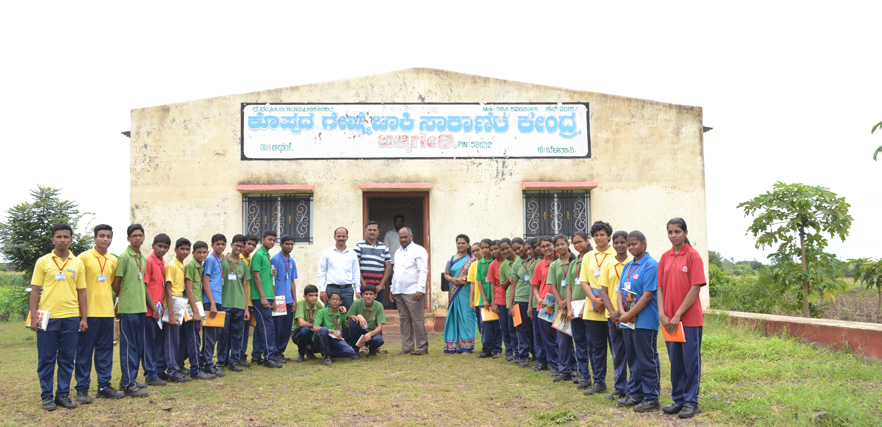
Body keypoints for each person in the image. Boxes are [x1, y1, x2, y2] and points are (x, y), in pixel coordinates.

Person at [30, 223, 88, 410]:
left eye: (66, 237)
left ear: (71, 240)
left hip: (71, 318)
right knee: (46, 359)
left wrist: (84, 318)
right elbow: (35, 290)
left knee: (66, 358)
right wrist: (33, 317)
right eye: (59, 237)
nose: (62, 240)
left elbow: (82, 292)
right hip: (48, 318)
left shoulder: (77, 263)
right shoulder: (43, 261)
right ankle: (46, 396)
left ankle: (62, 395)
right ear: (53, 239)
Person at [657, 218, 706, 419]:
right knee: (675, 360)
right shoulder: (665, 257)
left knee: (690, 361)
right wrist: (662, 313)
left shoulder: (693, 256)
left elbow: (695, 288)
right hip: (668, 320)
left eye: (677, 231)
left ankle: (691, 402)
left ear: (685, 232)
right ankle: (678, 399)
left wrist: (678, 315)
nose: (673, 235)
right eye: (670, 232)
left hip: (689, 320)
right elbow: (659, 287)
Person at [74, 224, 124, 402]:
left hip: (107, 314)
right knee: (84, 352)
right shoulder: (83, 258)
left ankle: (104, 386)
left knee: (105, 351)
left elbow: (111, 285)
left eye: (108, 236)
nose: (105, 239)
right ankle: (82, 389)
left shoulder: (113, 260)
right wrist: (82, 315)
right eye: (101, 236)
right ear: (94, 238)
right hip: (88, 314)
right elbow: (77, 287)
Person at [615, 231, 661, 413]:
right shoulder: (627, 266)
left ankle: (651, 397)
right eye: (629, 244)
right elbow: (620, 292)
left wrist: (627, 315)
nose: (631, 247)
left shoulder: (651, 265)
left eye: (634, 244)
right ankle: (636, 393)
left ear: (644, 243)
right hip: (628, 320)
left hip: (644, 321)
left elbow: (648, 295)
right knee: (632, 359)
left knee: (647, 359)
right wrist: (622, 313)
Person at [111, 224, 152, 397]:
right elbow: (116, 283)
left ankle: (131, 379)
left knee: (137, 346)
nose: (138, 238)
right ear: (128, 238)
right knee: (128, 346)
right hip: (128, 309)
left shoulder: (142, 258)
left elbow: (142, 283)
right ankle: (127, 385)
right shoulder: (124, 258)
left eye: (141, 235)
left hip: (140, 308)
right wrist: (125, 298)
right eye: (134, 235)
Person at [580, 221, 617, 395]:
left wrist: (606, 301)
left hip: (612, 307)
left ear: (609, 236)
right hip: (593, 307)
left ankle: (620, 384)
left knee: (616, 347)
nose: (599, 238)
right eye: (595, 235)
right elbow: (584, 281)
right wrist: (594, 299)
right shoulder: (588, 256)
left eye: (602, 234)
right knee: (596, 347)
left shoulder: (616, 253)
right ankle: (599, 382)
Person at [598, 231, 633, 400]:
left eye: (623, 242)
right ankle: (619, 388)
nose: (619, 245)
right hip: (612, 316)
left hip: (631, 315)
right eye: (616, 242)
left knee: (633, 353)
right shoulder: (607, 264)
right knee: (617, 353)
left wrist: (622, 313)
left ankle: (633, 388)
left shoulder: (633, 262)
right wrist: (613, 313)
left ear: (628, 244)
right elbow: (603, 291)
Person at [389, 227, 429, 355]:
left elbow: (423, 270)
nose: (403, 239)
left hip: (413, 291)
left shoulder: (419, 250)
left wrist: (420, 289)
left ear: (411, 236)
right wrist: (392, 289)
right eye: (401, 237)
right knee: (404, 320)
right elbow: (396, 272)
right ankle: (407, 347)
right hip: (399, 291)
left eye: (405, 237)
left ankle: (422, 347)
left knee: (417, 320)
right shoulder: (397, 252)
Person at [546, 235, 577, 382]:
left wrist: (568, 301)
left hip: (576, 304)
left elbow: (576, 283)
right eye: (557, 245)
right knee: (563, 340)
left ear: (568, 244)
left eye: (562, 244)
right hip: (561, 308)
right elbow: (553, 286)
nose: (560, 247)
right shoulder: (554, 265)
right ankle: (564, 369)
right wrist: (562, 304)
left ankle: (577, 369)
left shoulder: (576, 261)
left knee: (578, 338)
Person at [162, 238, 193, 383]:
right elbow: (168, 291)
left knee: (178, 339)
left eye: (187, 249)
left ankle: (177, 366)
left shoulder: (182, 265)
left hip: (180, 300)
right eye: (182, 249)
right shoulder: (172, 265)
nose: (185, 252)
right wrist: (172, 312)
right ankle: (172, 371)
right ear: (175, 250)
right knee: (171, 339)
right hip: (172, 301)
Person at [219, 234, 251, 371]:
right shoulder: (222, 260)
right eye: (237, 245)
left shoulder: (243, 265)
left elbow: (245, 287)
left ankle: (234, 360)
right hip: (225, 303)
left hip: (239, 305)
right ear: (231, 245)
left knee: (237, 334)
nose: (238, 248)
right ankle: (221, 361)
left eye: (241, 246)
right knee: (223, 334)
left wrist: (246, 309)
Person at [183, 241, 215, 380]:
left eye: (204, 252)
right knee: (194, 339)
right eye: (199, 252)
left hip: (198, 305)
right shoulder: (191, 266)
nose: (202, 255)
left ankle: (188, 366)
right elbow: (188, 289)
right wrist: (195, 310)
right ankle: (195, 370)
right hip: (192, 307)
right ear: (193, 253)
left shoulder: (200, 267)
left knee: (194, 336)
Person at [250, 231, 281, 368]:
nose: (272, 242)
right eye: (269, 239)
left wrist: (272, 298)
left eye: (274, 240)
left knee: (260, 328)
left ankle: (256, 356)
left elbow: (269, 278)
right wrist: (263, 297)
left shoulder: (267, 255)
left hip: (268, 296)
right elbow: (256, 276)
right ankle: (269, 356)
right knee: (267, 327)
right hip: (260, 297)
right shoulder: (258, 255)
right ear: (263, 240)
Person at [143, 233, 170, 386]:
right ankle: (150, 374)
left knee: (159, 341)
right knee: (149, 343)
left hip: (159, 310)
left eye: (165, 247)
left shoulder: (162, 262)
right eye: (159, 246)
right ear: (153, 245)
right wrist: (153, 308)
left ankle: (159, 370)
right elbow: (145, 287)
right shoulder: (148, 261)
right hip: (149, 311)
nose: (162, 249)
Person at [442, 234, 476, 354]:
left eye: (463, 243)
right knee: (454, 316)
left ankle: (466, 345)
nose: (461, 245)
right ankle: (453, 345)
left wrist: (464, 279)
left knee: (467, 317)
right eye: (458, 243)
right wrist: (452, 279)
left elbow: (476, 275)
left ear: (468, 244)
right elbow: (446, 273)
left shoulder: (473, 259)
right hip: (454, 291)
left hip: (466, 291)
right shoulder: (451, 259)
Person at [566, 231, 591, 388]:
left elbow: (594, 285)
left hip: (588, 307)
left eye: (580, 242)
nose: (577, 245)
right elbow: (569, 288)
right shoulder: (574, 263)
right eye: (574, 243)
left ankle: (594, 376)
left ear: (587, 241)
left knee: (591, 343)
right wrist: (569, 308)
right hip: (575, 308)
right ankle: (583, 374)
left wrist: (586, 306)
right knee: (579, 342)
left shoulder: (591, 259)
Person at [201, 234, 227, 377]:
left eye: (223, 244)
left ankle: (204, 360)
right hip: (211, 301)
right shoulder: (210, 259)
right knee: (210, 334)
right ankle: (207, 364)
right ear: (212, 245)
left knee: (216, 333)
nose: (220, 246)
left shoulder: (218, 259)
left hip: (217, 300)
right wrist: (211, 303)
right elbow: (206, 282)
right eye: (217, 244)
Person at [508, 237, 536, 367]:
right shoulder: (516, 264)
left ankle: (536, 353)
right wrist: (511, 304)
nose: (518, 251)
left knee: (534, 329)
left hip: (533, 300)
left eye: (519, 248)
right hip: (519, 300)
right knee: (521, 328)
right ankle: (523, 355)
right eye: (515, 250)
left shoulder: (534, 259)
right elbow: (513, 285)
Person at [317, 227, 361, 310]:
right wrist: (322, 289)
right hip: (331, 289)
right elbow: (321, 272)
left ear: (347, 237)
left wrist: (357, 290)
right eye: (339, 236)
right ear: (334, 237)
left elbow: (356, 273)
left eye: (343, 236)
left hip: (348, 290)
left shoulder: (352, 254)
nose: (341, 238)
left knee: (348, 316)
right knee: (330, 316)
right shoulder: (327, 253)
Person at [531, 236, 556, 373]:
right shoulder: (539, 265)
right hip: (547, 302)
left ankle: (564, 363)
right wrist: (538, 298)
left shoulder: (562, 262)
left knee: (562, 336)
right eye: (543, 246)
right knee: (547, 336)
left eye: (548, 245)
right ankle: (553, 364)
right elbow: (535, 286)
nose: (546, 248)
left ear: (554, 245)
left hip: (561, 303)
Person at [271, 235, 298, 362]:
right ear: (281, 245)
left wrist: (294, 300)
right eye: (287, 244)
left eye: (292, 244)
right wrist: (274, 299)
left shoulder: (292, 261)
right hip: (279, 299)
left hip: (288, 300)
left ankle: (280, 351)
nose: (290, 246)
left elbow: (292, 281)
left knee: (287, 328)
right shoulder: (275, 259)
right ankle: (274, 352)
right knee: (278, 327)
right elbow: (272, 280)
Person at [311, 292, 357, 365]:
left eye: (337, 299)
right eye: (333, 299)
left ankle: (328, 352)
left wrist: (350, 318)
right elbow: (315, 327)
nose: (335, 301)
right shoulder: (322, 312)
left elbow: (345, 327)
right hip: (322, 338)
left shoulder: (341, 313)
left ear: (340, 302)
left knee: (350, 352)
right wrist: (332, 331)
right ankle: (325, 358)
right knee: (324, 330)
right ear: (329, 300)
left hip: (335, 339)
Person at [355, 221, 391, 309]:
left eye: (374, 230)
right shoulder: (359, 246)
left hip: (379, 288)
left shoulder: (384, 247)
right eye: (370, 230)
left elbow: (388, 268)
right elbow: (355, 267)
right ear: (365, 231)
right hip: (363, 287)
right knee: (362, 312)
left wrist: (381, 285)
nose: (372, 232)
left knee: (377, 312)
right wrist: (363, 284)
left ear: (378, 232)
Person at [346, 284, 386, 356]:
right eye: (366, 294)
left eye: (371, 294)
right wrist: (358, 316)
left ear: (375, 296)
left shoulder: (379, 306)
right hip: (359, 333)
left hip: (371, 333)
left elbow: (380, 327)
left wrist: (369, 334)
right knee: (353, 323)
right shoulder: (357, 303)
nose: (368, 296)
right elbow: (348, 322)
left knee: (379, 340)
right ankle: (356, 351)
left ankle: (372, 350)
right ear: (362, 295)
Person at [238, 235, 259, 367]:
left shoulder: (251, 259)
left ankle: (242, 355)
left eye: (253, 245)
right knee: (238, 331)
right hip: (239, 300)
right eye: (249, 244)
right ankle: (236, 356)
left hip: (250, 300)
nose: (251, 247)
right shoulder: (236, 259)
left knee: (245, 331)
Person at [497, 238, 518, 361]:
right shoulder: (503, 266)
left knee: (522, 328)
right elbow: (502, 286)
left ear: (512, 247)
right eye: (502, 249)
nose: (505, 251)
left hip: (522, 298)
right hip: (510, 300)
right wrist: (508, 280)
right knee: (510, 329)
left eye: (507, 248)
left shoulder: (520, 261)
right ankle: (512, 352)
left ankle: (524, 352)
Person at [480, 240, 503, 358]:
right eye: (482, 248)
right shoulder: (480, 263)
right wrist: (484, 299)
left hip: (497, 298)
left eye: (487, 247)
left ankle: (497, 349)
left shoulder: (496, 262)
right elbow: (479, 282)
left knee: (497, 325)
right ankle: (486, 348)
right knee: (485, 326)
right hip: (484, 300)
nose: (484, 250)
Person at [292, 285, 324, 362]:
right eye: (311, 295)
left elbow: (327, 314)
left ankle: (310, 351)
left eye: (316, 295)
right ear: (304, 297)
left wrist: (340, 308)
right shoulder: (300, 304)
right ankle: (301, 353)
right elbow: (301, 323)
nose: (314, 298)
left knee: (323, 333)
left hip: (312, 332)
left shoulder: (318, 305)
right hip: (298, 333)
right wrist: (315, 326)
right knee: (305, 330)